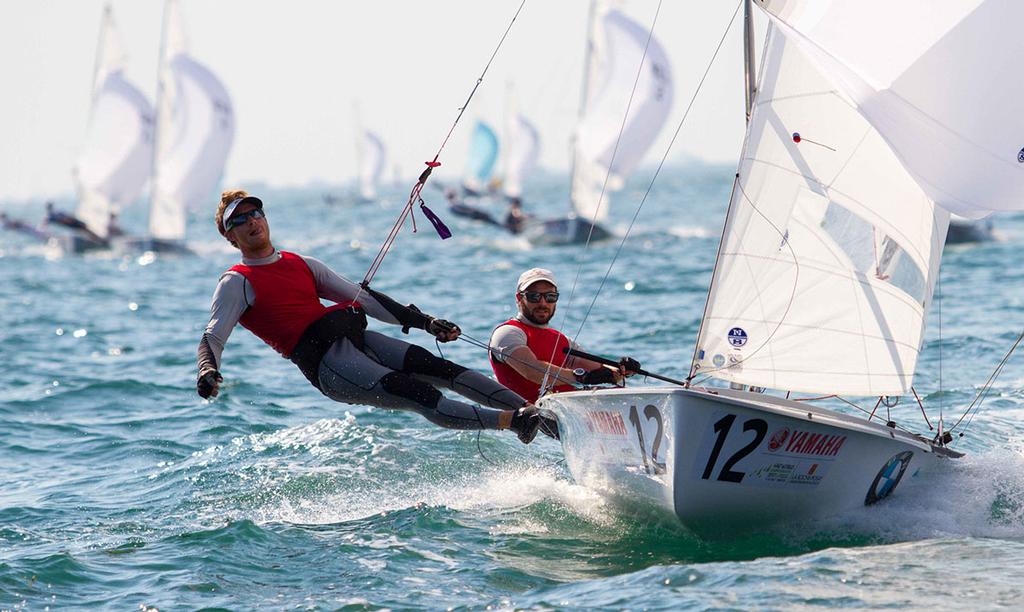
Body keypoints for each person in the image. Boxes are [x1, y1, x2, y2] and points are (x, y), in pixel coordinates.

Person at [196, 190, 545, 444]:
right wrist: (208, 370)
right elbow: (213, 336)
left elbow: (363, 298)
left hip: (358, 341)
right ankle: (514, 422)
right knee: (419, 394)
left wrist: (425, 322)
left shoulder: (301, 264)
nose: (251, 221)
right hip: (330, 366)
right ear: (230, 236)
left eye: (255, 212)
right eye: (239, 220)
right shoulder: (236, 281)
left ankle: (539, 414)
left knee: (446, 370)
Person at [488, 268, 640, 404]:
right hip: (535, 420)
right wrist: (581, 377)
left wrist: (620, 370)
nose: (543, 303)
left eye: (550, 297)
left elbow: (596, 371)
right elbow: (532, 370)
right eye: (534, 296)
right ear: (519, 298)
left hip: (573, 412)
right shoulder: (507, 333)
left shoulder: (562, 340)